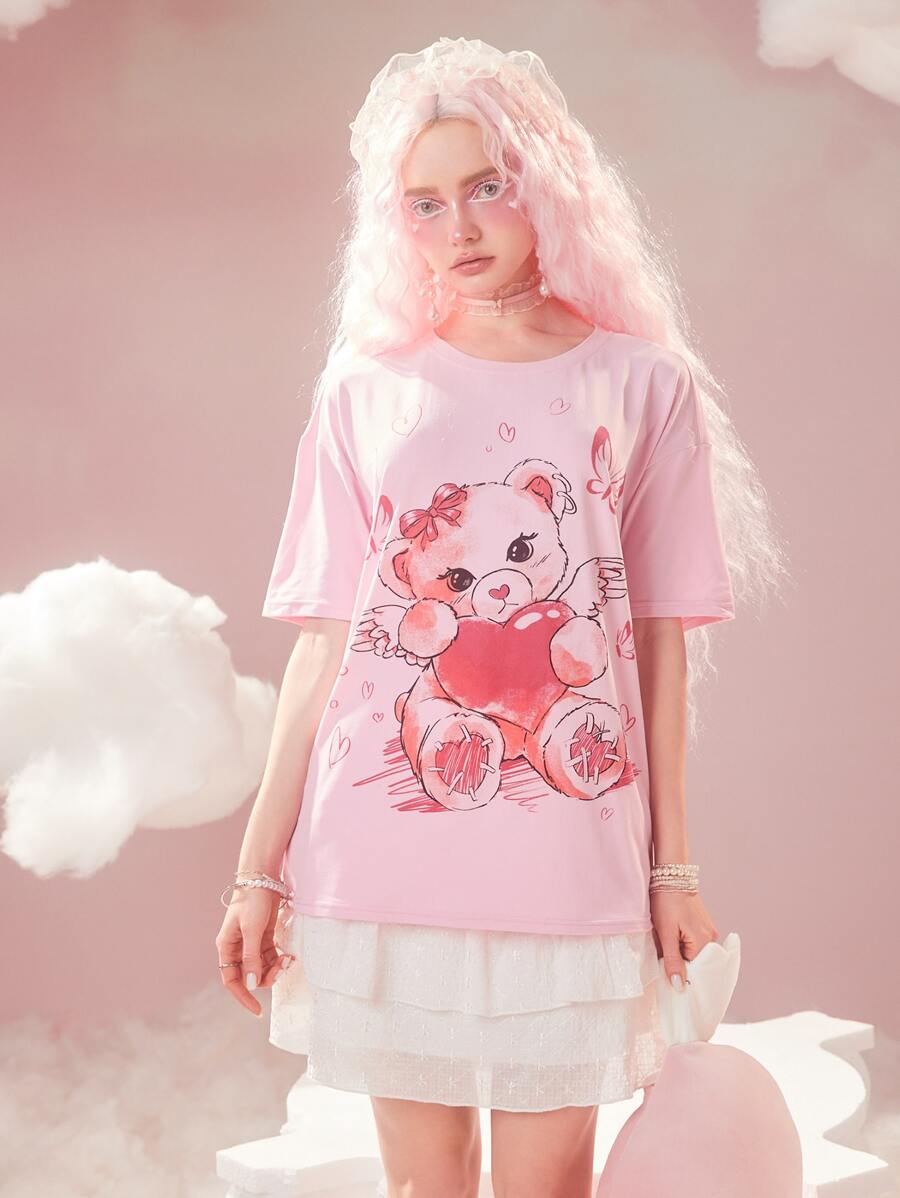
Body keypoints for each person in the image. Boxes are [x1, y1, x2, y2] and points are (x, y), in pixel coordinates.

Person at [215, 36, 789, 1198]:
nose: (460, 225)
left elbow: (660, 643)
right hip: (378, 863)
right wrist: (255, 872)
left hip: (568, 867)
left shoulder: (640, 383)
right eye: (424, 202)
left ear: (547, 182)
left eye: (486, 186)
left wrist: (673, 868)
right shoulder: (365, 387)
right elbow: (325, 640)